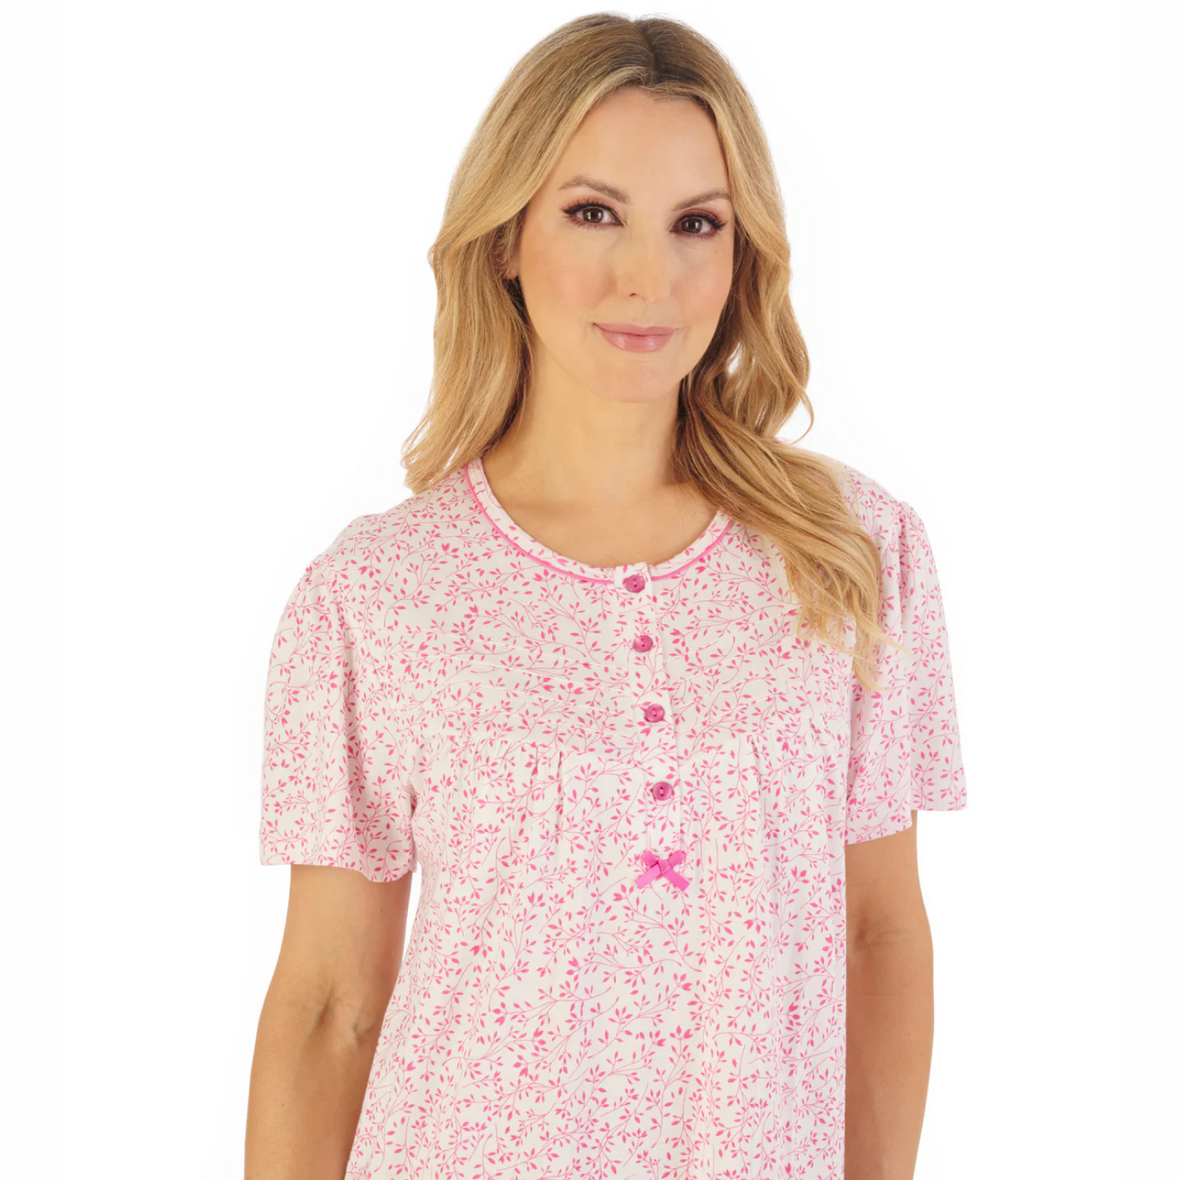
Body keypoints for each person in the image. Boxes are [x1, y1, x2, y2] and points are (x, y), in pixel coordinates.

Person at [245, 14, 967, 1180]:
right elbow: (331, 1003)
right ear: (505, 238)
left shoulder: (852, 554)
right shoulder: (375, 596)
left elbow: (877, 935)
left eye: (697, 224)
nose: (649, 278)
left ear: (742, 254)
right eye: (593, 213)